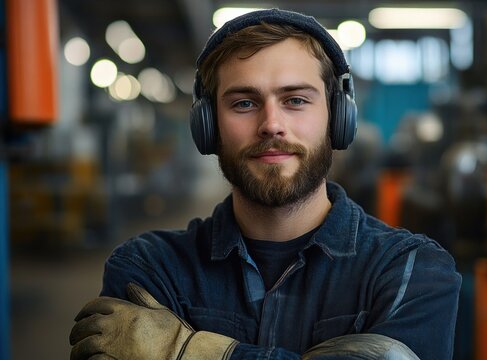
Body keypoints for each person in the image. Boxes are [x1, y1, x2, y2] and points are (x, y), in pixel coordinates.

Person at [69, 9, 461, 360]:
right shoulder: (149, 269)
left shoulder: (412, 272)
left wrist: (189, 350)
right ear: (208, 127)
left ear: (337, 118)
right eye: (244, 103)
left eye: (295, 100)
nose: (271, 124)